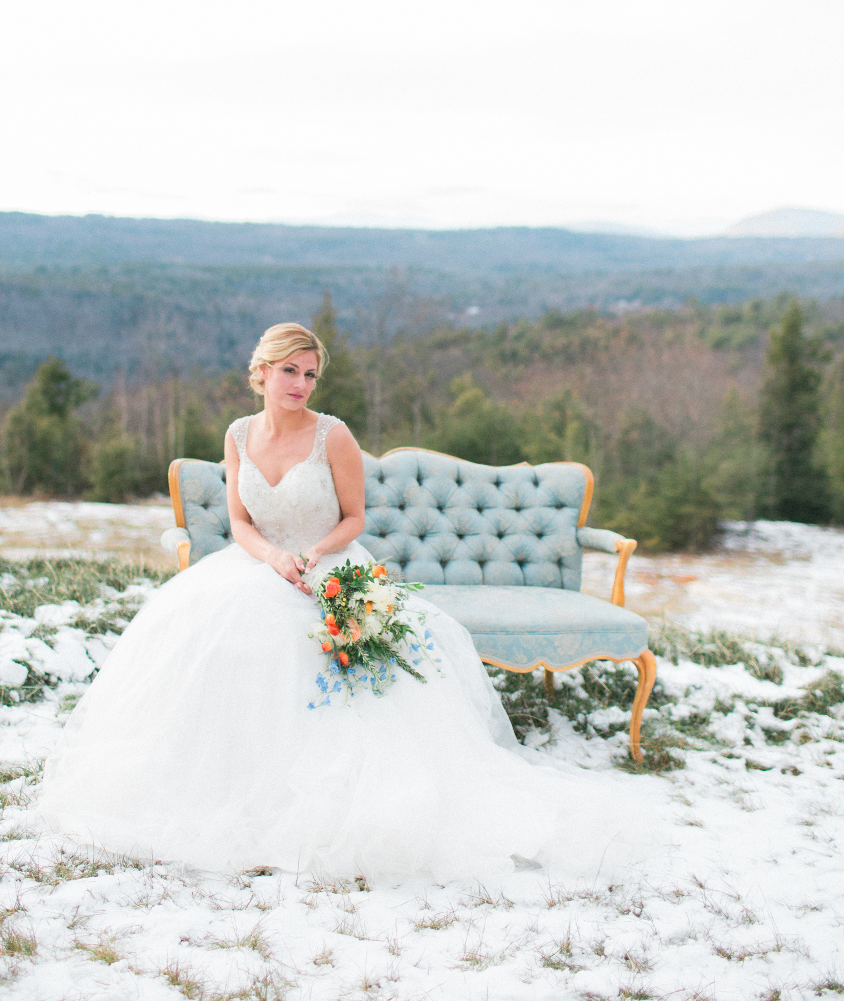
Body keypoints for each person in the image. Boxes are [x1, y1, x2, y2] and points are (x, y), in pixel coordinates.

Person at [39, 322, 641, 884]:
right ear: (262, 373)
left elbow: (354, 519)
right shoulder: (237, 435)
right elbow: (239, 521)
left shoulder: (334, 434)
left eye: (310, 375)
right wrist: (273, 559)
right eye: (290, 372)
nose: (300, 385)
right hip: (258, 566)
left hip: (329, 564)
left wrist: (313, 556)